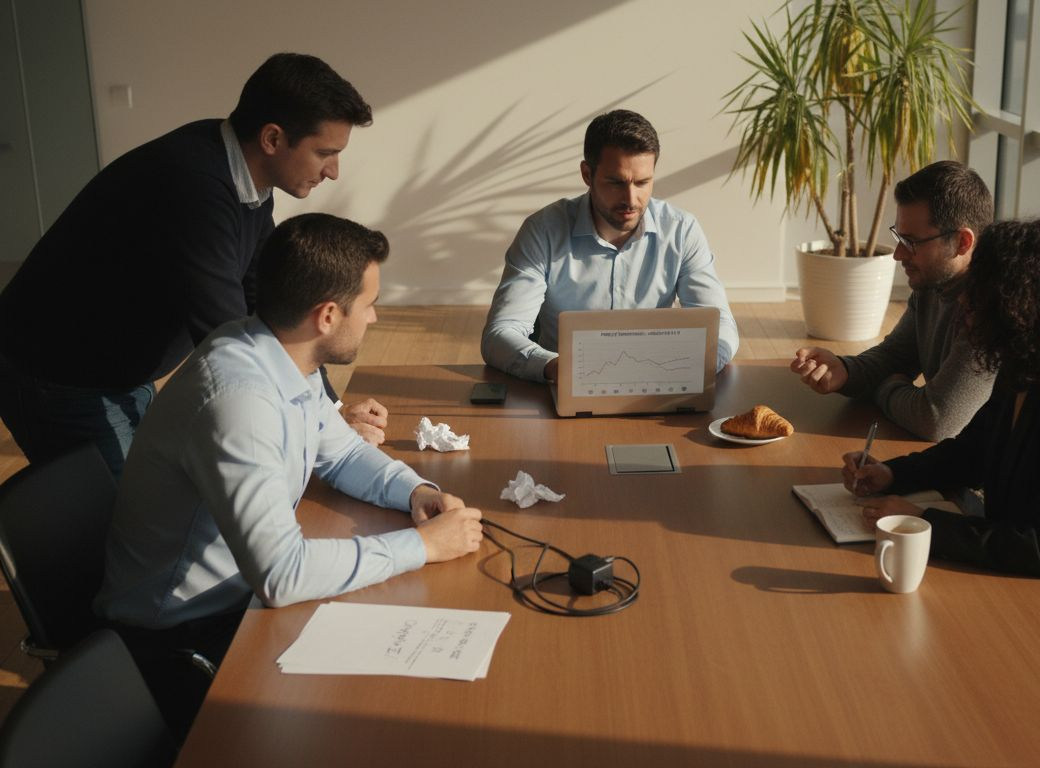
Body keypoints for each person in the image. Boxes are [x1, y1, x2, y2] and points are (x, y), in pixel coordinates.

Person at [95, 213, 484, 734]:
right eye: (369, 304)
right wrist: (423, 546)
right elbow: (282, 575)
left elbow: (342, 455)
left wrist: (413, 490)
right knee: (385, 718)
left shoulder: (275, 351)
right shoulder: (239, 401)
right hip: (180, 643)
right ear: (328, 315)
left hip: (239, 602)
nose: (374, 317)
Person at [0, 52, 387, 475]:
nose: (333, 171)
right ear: (272, 139)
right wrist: (325, 430)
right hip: (58, 378)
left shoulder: (244, 178)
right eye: (325, 153)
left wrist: (330, 408)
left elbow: (273, 304)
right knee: (124, 514)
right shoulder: (194, 187)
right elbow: (231, 339)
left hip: (122, 376)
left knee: (151, 496)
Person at [841, 218, 1040, 626]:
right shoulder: (1025, 367)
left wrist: (924, 521)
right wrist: (891, 474)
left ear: (1021, 306)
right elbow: (972, 452)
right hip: (1005, 571)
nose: (964, 303)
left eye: (979, 295)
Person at [481, 109, 739, 383]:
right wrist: (554, 367)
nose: (631, 199)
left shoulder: (681, 230)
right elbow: (500, 333)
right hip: (562, 386)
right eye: (616, 183)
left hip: (657, 383)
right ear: (587, 174)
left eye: (643, 182)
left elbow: (721, 325)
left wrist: (698, 366)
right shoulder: (542, 231)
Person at [791, 161, 996, 441]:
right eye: (899, 237)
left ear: (962, 242)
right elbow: (895, 356)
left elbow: (935, 420)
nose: (898, 254)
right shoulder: (933, 284)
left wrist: (885, 387)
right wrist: (845, 371)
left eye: (911, 241)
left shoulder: (992, 307)